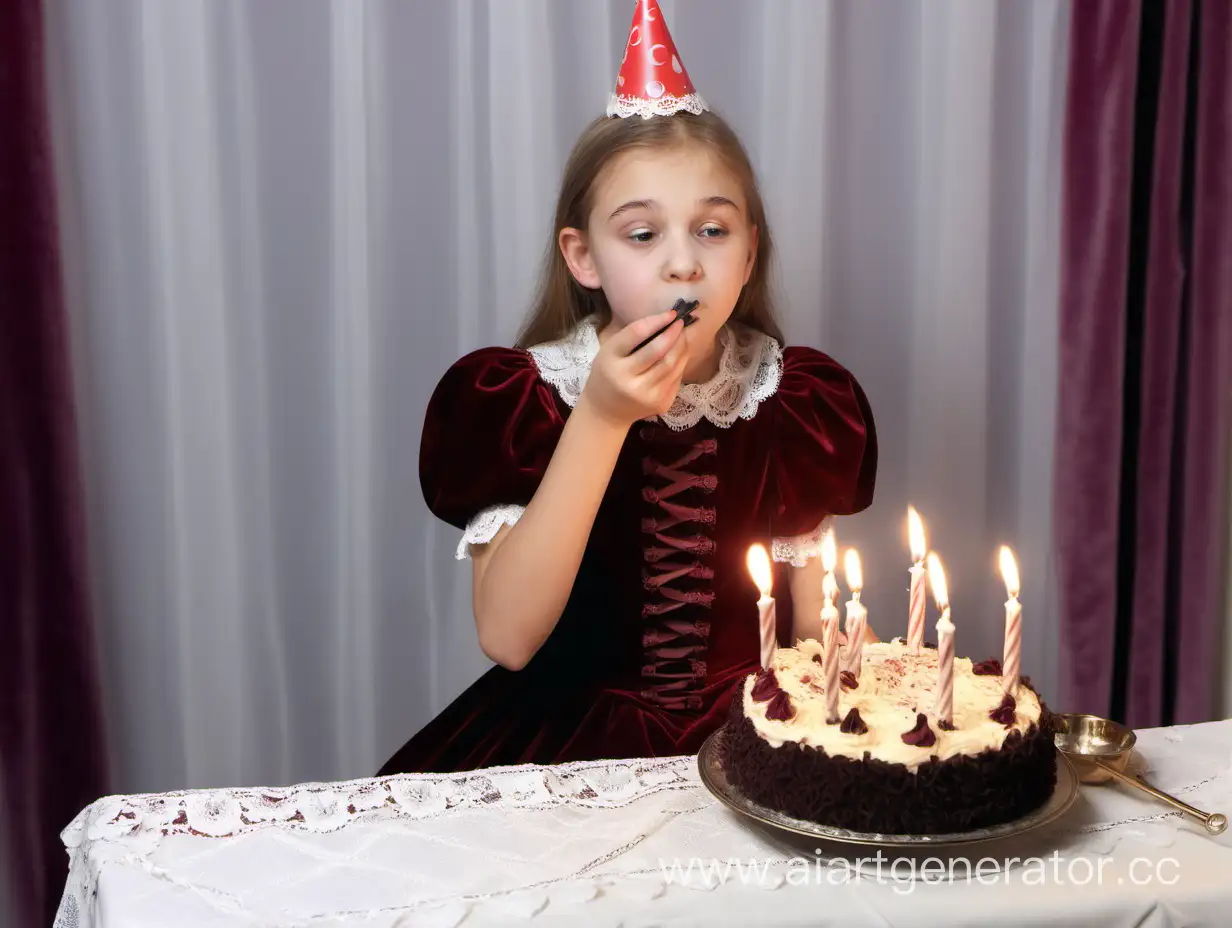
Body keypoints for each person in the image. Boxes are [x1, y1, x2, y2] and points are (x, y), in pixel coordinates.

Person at [379, 0, 877, 775]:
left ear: (749, 255)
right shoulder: (524, 401)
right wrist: (603, 417)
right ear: (584, 259)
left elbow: (817, 639)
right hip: (570, 752)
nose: (684, 264)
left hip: (748, 745)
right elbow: (508, 639)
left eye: (713, 230)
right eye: (643, 234)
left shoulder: (790, 402)